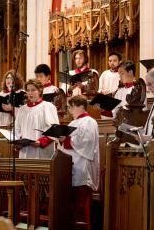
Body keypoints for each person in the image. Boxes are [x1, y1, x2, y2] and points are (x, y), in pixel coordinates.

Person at [57, 95, 99, 227]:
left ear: (81, 106)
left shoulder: (89, 121)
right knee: (72, 206)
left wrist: (67, 140)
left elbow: (87, 143)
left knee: (82, 205)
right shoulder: (72, 123)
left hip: (83, 167)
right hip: (71, 166)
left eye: (71, 107)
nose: (70, 110)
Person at [15, 79, 59, 159]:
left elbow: (55, 130)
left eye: (33, 90)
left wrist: (41, 142)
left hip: (42, 151)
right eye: (28, 90)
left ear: (40, 91)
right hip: (25, 152)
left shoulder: (48, 107)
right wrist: (18, 143)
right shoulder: (22, 110)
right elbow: (17, 129)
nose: (30, 93)